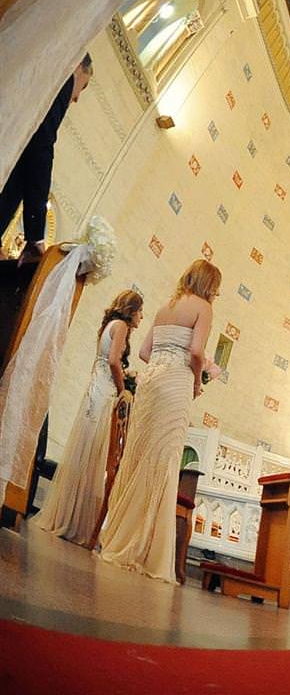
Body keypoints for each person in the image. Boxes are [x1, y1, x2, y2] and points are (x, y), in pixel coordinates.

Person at [99, 260, 221, 583]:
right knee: (164, 461)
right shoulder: (203, 308)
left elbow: (143, 352)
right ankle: (146, 548)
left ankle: (119, 535)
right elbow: (196, 350)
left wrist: (166, 361)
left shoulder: (166, 306)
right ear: (210, 285)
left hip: (152, 382)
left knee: (139, 457)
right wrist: (196, 379)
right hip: (175, 384)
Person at [32, 290, 143, 545]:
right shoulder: (122, 326)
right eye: (140, 311)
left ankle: (69, 518)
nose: (142, 316)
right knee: (93, 455)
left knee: (84, 454)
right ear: (132, 310)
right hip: (104, 394)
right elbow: (115, 362)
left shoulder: (108, 325)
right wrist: (123, 388)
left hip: (94, 391)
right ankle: (77, 525)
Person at [0, 54, 92, 262]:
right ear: (78, 66)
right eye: (83, 87)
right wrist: (35, 237)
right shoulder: (63, 81)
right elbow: (40, 149)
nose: (76, 98)